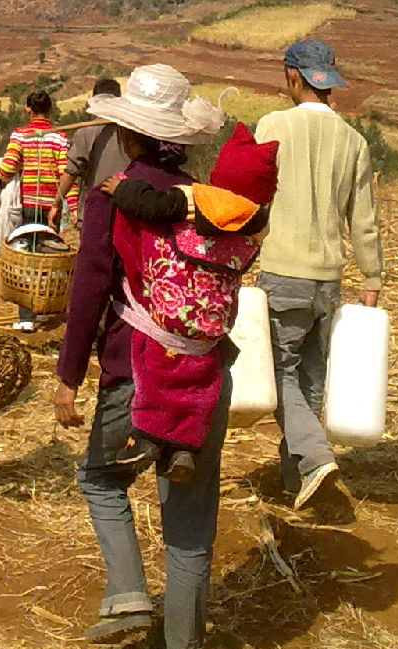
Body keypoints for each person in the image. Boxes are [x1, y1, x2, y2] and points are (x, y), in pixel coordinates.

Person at [53, 63, 229, 649]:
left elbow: (91, 281)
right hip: (205, 370)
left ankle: (128, 591)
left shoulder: (117, 193)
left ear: (127, 134)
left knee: (101, 477)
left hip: (137, 367)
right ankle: (184, 647)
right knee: (189, 521)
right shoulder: (201, 199)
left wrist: (69, 375)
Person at [100, 120, 277, 480]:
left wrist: (123, 189)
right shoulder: (255, 222)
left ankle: (147, 438)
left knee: (153, 372)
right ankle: (184, 447)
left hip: (173, 310)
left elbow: (153, 206)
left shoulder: (195, 198)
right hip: (210, 325)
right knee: (202, 385)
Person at [253, 39, 385, 510]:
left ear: (292, 76)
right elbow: (363, 218)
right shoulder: (354, 141)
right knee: (310, 376)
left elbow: (253, 198)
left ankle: (313, 458)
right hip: (328, 278)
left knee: (280, 372)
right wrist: (371, 278)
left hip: (283, 272)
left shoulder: (272, 126)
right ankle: (300, 482)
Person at [0, 89, 76, 331]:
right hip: (53, 207)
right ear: (50, 110)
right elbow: (67, 173)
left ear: (28, 109)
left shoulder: (20, 136)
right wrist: (71, 207)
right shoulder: (60, 138)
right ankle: (44, 311)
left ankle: (27, 316)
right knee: (47, 258)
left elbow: (8, 167)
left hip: (27, 206)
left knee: (27, 257)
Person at [48, 76, 127, 232]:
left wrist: (56, 203)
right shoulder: (132, 134)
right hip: (126, 212)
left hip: (94, 214)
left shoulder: (85, 133)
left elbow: (71, 172)